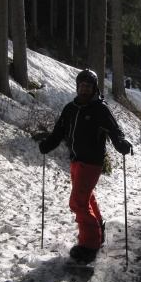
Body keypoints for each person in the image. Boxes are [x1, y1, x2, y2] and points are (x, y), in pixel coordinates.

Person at [39, 69, 133, 264]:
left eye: (88, 86)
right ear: (77, 87)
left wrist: (121, 143)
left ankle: (90, 244)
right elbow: (58, 132)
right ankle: (98, 226)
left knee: (77, 203)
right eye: (81, 86)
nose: (84, 89)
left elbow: (114, 130)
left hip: (92, 162)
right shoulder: (70, 108)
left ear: (94, 88)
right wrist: (48, 144)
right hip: (75, 160)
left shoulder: (100, 109)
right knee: (86, 197)